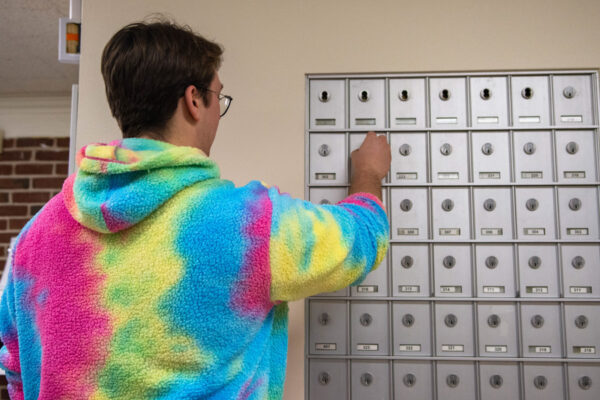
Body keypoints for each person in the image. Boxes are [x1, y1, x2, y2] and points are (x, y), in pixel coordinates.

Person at [0, 20, 390, 399]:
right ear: (193, 100)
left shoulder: (35, 238)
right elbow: (359, 238)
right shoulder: (245, 224)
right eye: (218, 97)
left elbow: (15, 369)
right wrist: (369, 174)